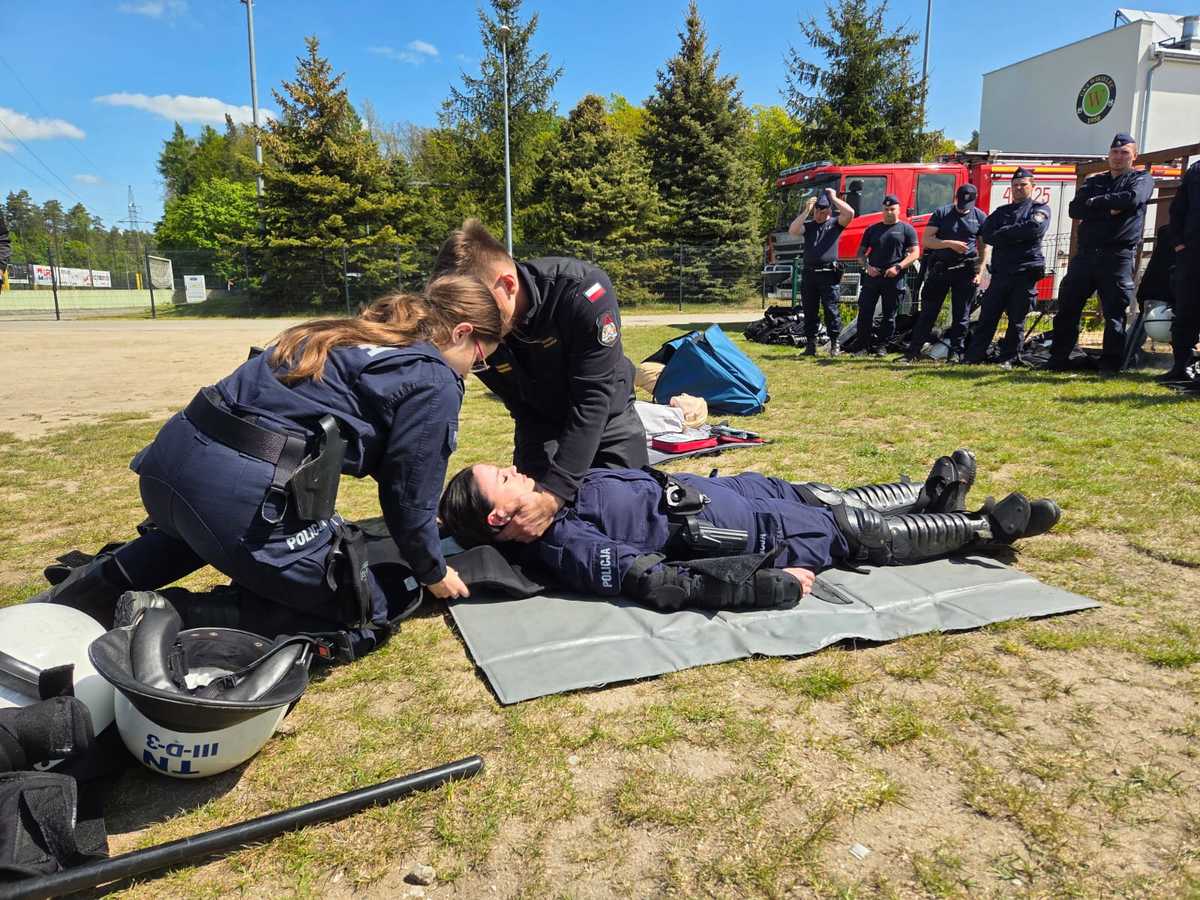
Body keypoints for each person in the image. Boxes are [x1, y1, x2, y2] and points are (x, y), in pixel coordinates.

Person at [30, 276, 503, 657]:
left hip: (170, 465)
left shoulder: (346, 334)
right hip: (232, 493)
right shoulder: (434, 378)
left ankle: (72, 600)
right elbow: (407, 496)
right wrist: (432, 571)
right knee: (364, 605)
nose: (472, 371)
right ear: (462, 333)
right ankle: (169, 615)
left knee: (193, 536)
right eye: (479, 360)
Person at [439, 451, 1061, 611]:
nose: (518, 471)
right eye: (505, 479)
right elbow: (658, 581)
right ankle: (981, 528)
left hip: (740, 492)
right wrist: (762, 587)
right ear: (500, 518)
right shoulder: (564, 545)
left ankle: (930, 498)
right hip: (752, 534)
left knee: (831, 497)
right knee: (855, 530)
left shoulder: (556, 487)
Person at [429, 219, 647, 543]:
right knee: (526, 531)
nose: (473, 326)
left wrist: (555, 493)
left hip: (607, 420)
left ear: (507, 284)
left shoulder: (581, 291)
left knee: (633, 517)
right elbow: (509, 402)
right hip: (538, 422)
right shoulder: (477, 328)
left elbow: (593, 401)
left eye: (478, 311)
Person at [1048, 133, 1153, 372]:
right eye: (1114, 152)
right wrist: (1108, 207)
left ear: (1134, 156)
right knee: (1067, 307)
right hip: (1086, 255)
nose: (1118, 157)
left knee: (1114, 312)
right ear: (1108, 155)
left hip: (1117, 256)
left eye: (1124, 153)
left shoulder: (1142, 178)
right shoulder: (1095, 181)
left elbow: (1132, 198)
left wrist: (1094, 203)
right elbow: (1075, 209)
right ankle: (1059, 359)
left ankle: (1110, 365)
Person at [963, 167, 1051, 364]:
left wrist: (1003, 233)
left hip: (1024, 273)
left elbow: (1034, 229)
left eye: (1023, 185)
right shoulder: (1001, 212)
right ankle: (973, 357)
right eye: (1015, 185)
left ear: (1033, 186)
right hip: (1001, 274)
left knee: (1016, 321)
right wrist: (1016, 235)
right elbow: (987, 234)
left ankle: (1009, 359)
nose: (1018, 188)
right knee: (987, 317)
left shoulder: (1040, 209)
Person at [903, 184, 988, 363]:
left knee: (961, 315)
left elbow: (983, 247)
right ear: (956, 198)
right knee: (928, 313)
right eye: (960, 204)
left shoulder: (980, 217)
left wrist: (979, 271)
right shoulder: (942, 213)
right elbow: (927, 240)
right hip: (941, 269)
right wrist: (949, 244)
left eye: (967, 205)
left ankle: (956, 353)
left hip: (966, 271)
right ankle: (913, 351)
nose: (963, 208)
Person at [788, 187, 855, 356]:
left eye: (822, 212)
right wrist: (806, 211)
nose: (818, 215)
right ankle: (811, 345)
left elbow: (850, 213)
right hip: (810, 274)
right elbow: (793, 230)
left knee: (831, 310)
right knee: (809, 310)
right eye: (816, 211)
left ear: (829, 211)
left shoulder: (835, 224)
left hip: (828, 274)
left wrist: (834, 198)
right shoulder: (809, 226)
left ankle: (835, 344)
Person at [852, 195, 920, 356]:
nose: (889, 212)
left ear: (899, 210)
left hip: (894, 278)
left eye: (892, 209)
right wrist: (867, 267)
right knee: (865, 312)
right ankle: (862, 346)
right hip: (873, 277)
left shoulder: (906, 229)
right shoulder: (872, 229)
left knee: (889, 315)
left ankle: (882, 346)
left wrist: (898, 267)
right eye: (886, 209)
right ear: (882, 210)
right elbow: (860, 254)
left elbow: (915, 253)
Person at [1163, 157, 1200, 381]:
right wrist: (1178, 242)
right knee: (1185, 310)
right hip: (1192, 253)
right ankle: (1182, 367)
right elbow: (1178, 209)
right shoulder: (1196, 170)